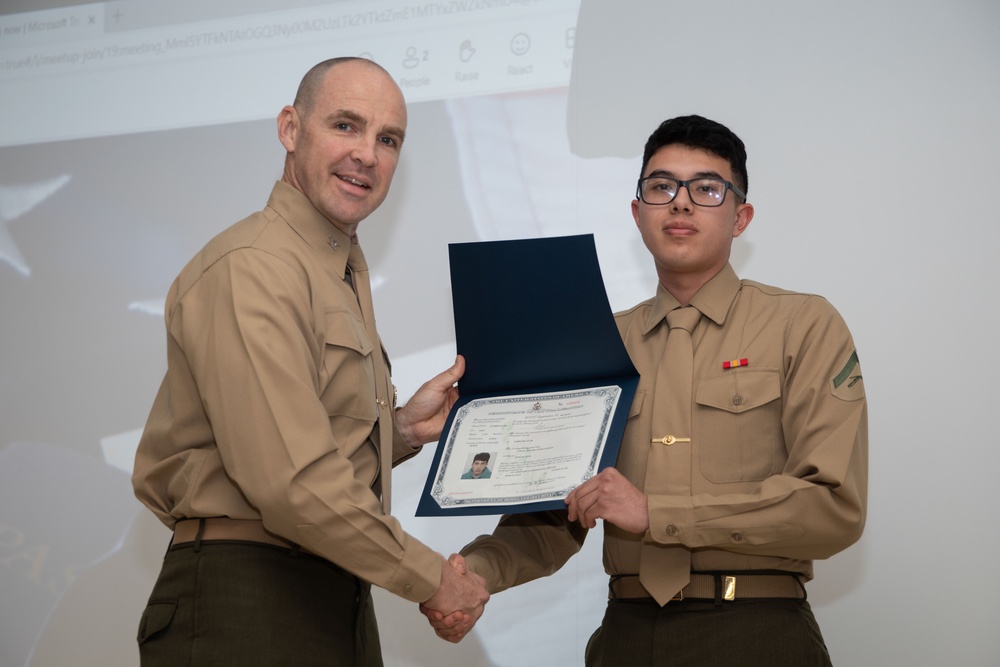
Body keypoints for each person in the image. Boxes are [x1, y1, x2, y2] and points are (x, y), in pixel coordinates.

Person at [424, 115, 867, 665]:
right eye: (661, 187)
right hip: (627, 636)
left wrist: (656, 512)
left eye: (707, 189)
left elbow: (831, 507)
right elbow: (552, 517)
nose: (680, 203)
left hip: (757, 630)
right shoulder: (595, 343)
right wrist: (475, 575)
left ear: (741, 217)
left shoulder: (804, 324)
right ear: (638, 213)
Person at [132, 57, 488, 667]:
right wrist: (434, 579)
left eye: (388, 139)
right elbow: (291, 482)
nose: (368, 155)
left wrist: (398, 431)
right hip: (250, 595)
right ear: (290, 129)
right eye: (346, 126)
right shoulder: (254, 268)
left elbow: (300, 435)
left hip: (327, 588)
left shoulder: (332, 269)